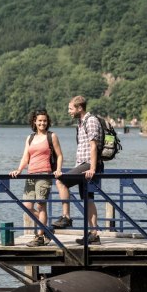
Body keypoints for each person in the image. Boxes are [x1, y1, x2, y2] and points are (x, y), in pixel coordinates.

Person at [51, 95, 104, 245]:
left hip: (89, 164)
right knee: (88, 199)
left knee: (61, 181)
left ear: (79, 108)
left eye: (70, 108)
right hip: (84, 164)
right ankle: (94, 234)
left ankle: (66, 217)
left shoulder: (91, 121)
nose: (69, 111)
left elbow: (93, 146)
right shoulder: (81, 123)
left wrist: (92, 168)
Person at [10, 109, 63, 247]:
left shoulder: (52, 136)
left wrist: (58, 170)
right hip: (30, 175)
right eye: (39, 120)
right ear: (35, 121)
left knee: (41, 206)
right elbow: (25, 157)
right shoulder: (30, 138)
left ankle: (39, 236)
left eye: (45, 120)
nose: (42, 123)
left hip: (44, 175)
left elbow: (59, 155)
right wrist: (19, 170)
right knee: (27, 206)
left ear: (48, 121)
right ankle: (46, 229)